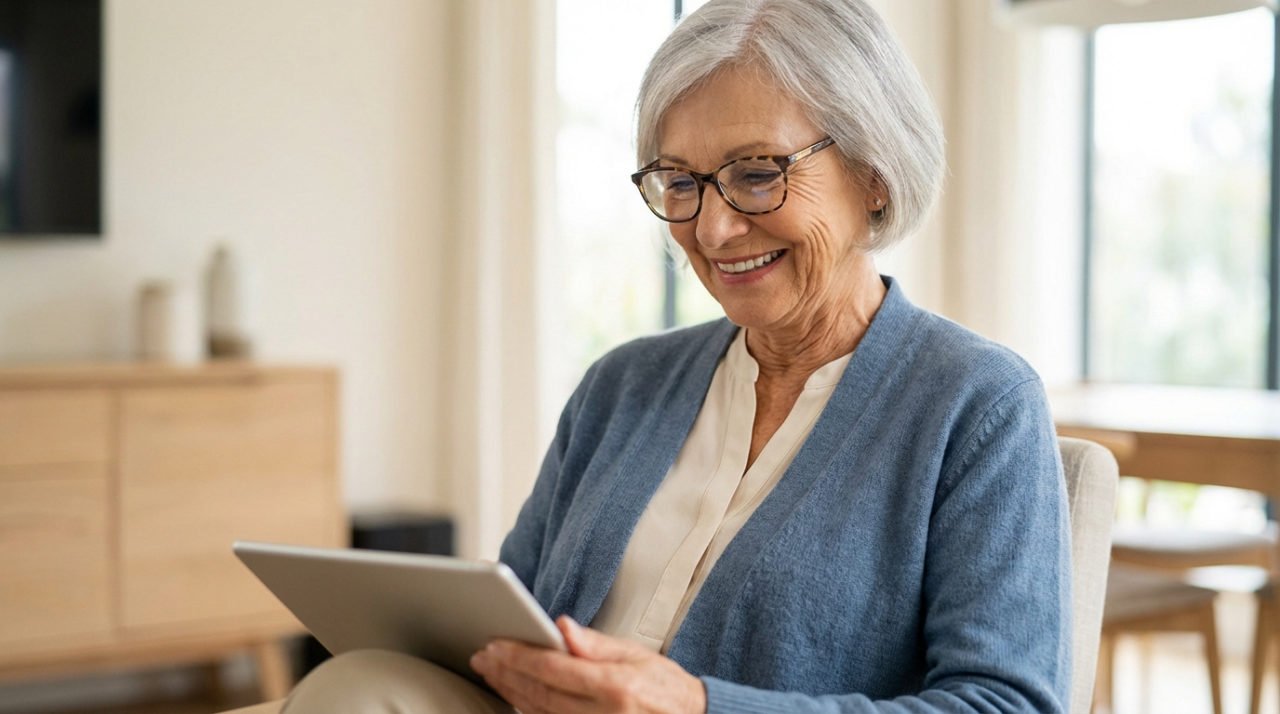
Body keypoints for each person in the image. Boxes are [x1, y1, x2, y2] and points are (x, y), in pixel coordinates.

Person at [280, 0, 1070, 712]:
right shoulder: (622, 385)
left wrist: (697, 708)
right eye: (681, 183)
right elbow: (509, 610)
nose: (714, 229)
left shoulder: (978, 404)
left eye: (757, 175)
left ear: (872, 173)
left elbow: (1006, 705)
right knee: (354, 684)